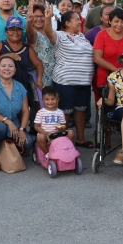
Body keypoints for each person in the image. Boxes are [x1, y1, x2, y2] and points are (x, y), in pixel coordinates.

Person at [42, 8, 95, 148]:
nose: (80, 22)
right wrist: (48, 18)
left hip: (84, 82)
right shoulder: (60, 35)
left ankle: (80, 139)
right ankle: (60, 143)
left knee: (81, 110)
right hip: (65, 82)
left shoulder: (82, 36)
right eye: (77, 19)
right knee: (64, 113)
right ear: (67, 23)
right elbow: (48, 31)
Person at [0, 17, 44, 118]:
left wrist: (39, 79)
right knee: (2, 112)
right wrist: (7, 56)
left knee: (21, 112)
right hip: (2, 86)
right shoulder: (0, 45)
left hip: (22, 85)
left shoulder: (27, 48)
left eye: (18, 29)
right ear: (6, 32)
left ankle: (21, 127)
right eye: (11, 29)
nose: (15, 32)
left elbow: (38, 64)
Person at [93, 8, 123, 95]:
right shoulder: (101, 35)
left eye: (122, 21)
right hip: (106, 77)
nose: (119, 24)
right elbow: (97, 58)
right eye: (116, 21)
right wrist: (115, 70)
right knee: (106, 102)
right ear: (110, 21)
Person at [34, 86, 72, 154]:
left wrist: (62, 127)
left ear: (57, 100)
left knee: (70, 132)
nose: (50, 102)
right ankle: (47, 153)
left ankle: (67, 150)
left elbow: (64, 125)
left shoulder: (60, 112)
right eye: (47, 99)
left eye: (53, 99)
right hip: (46, 136)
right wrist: (46, 133)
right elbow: (36, 126)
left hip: (58, 134)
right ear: (43, 100)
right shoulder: (40, 112)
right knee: (40, 137)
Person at [26, 5, 55, 89]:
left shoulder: (53, 33)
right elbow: (30, 34)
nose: (39, 19)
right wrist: (29, 22)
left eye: (42, 16)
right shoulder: (35, 35)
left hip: (56, 78)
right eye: (35, 16)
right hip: (40, 79)